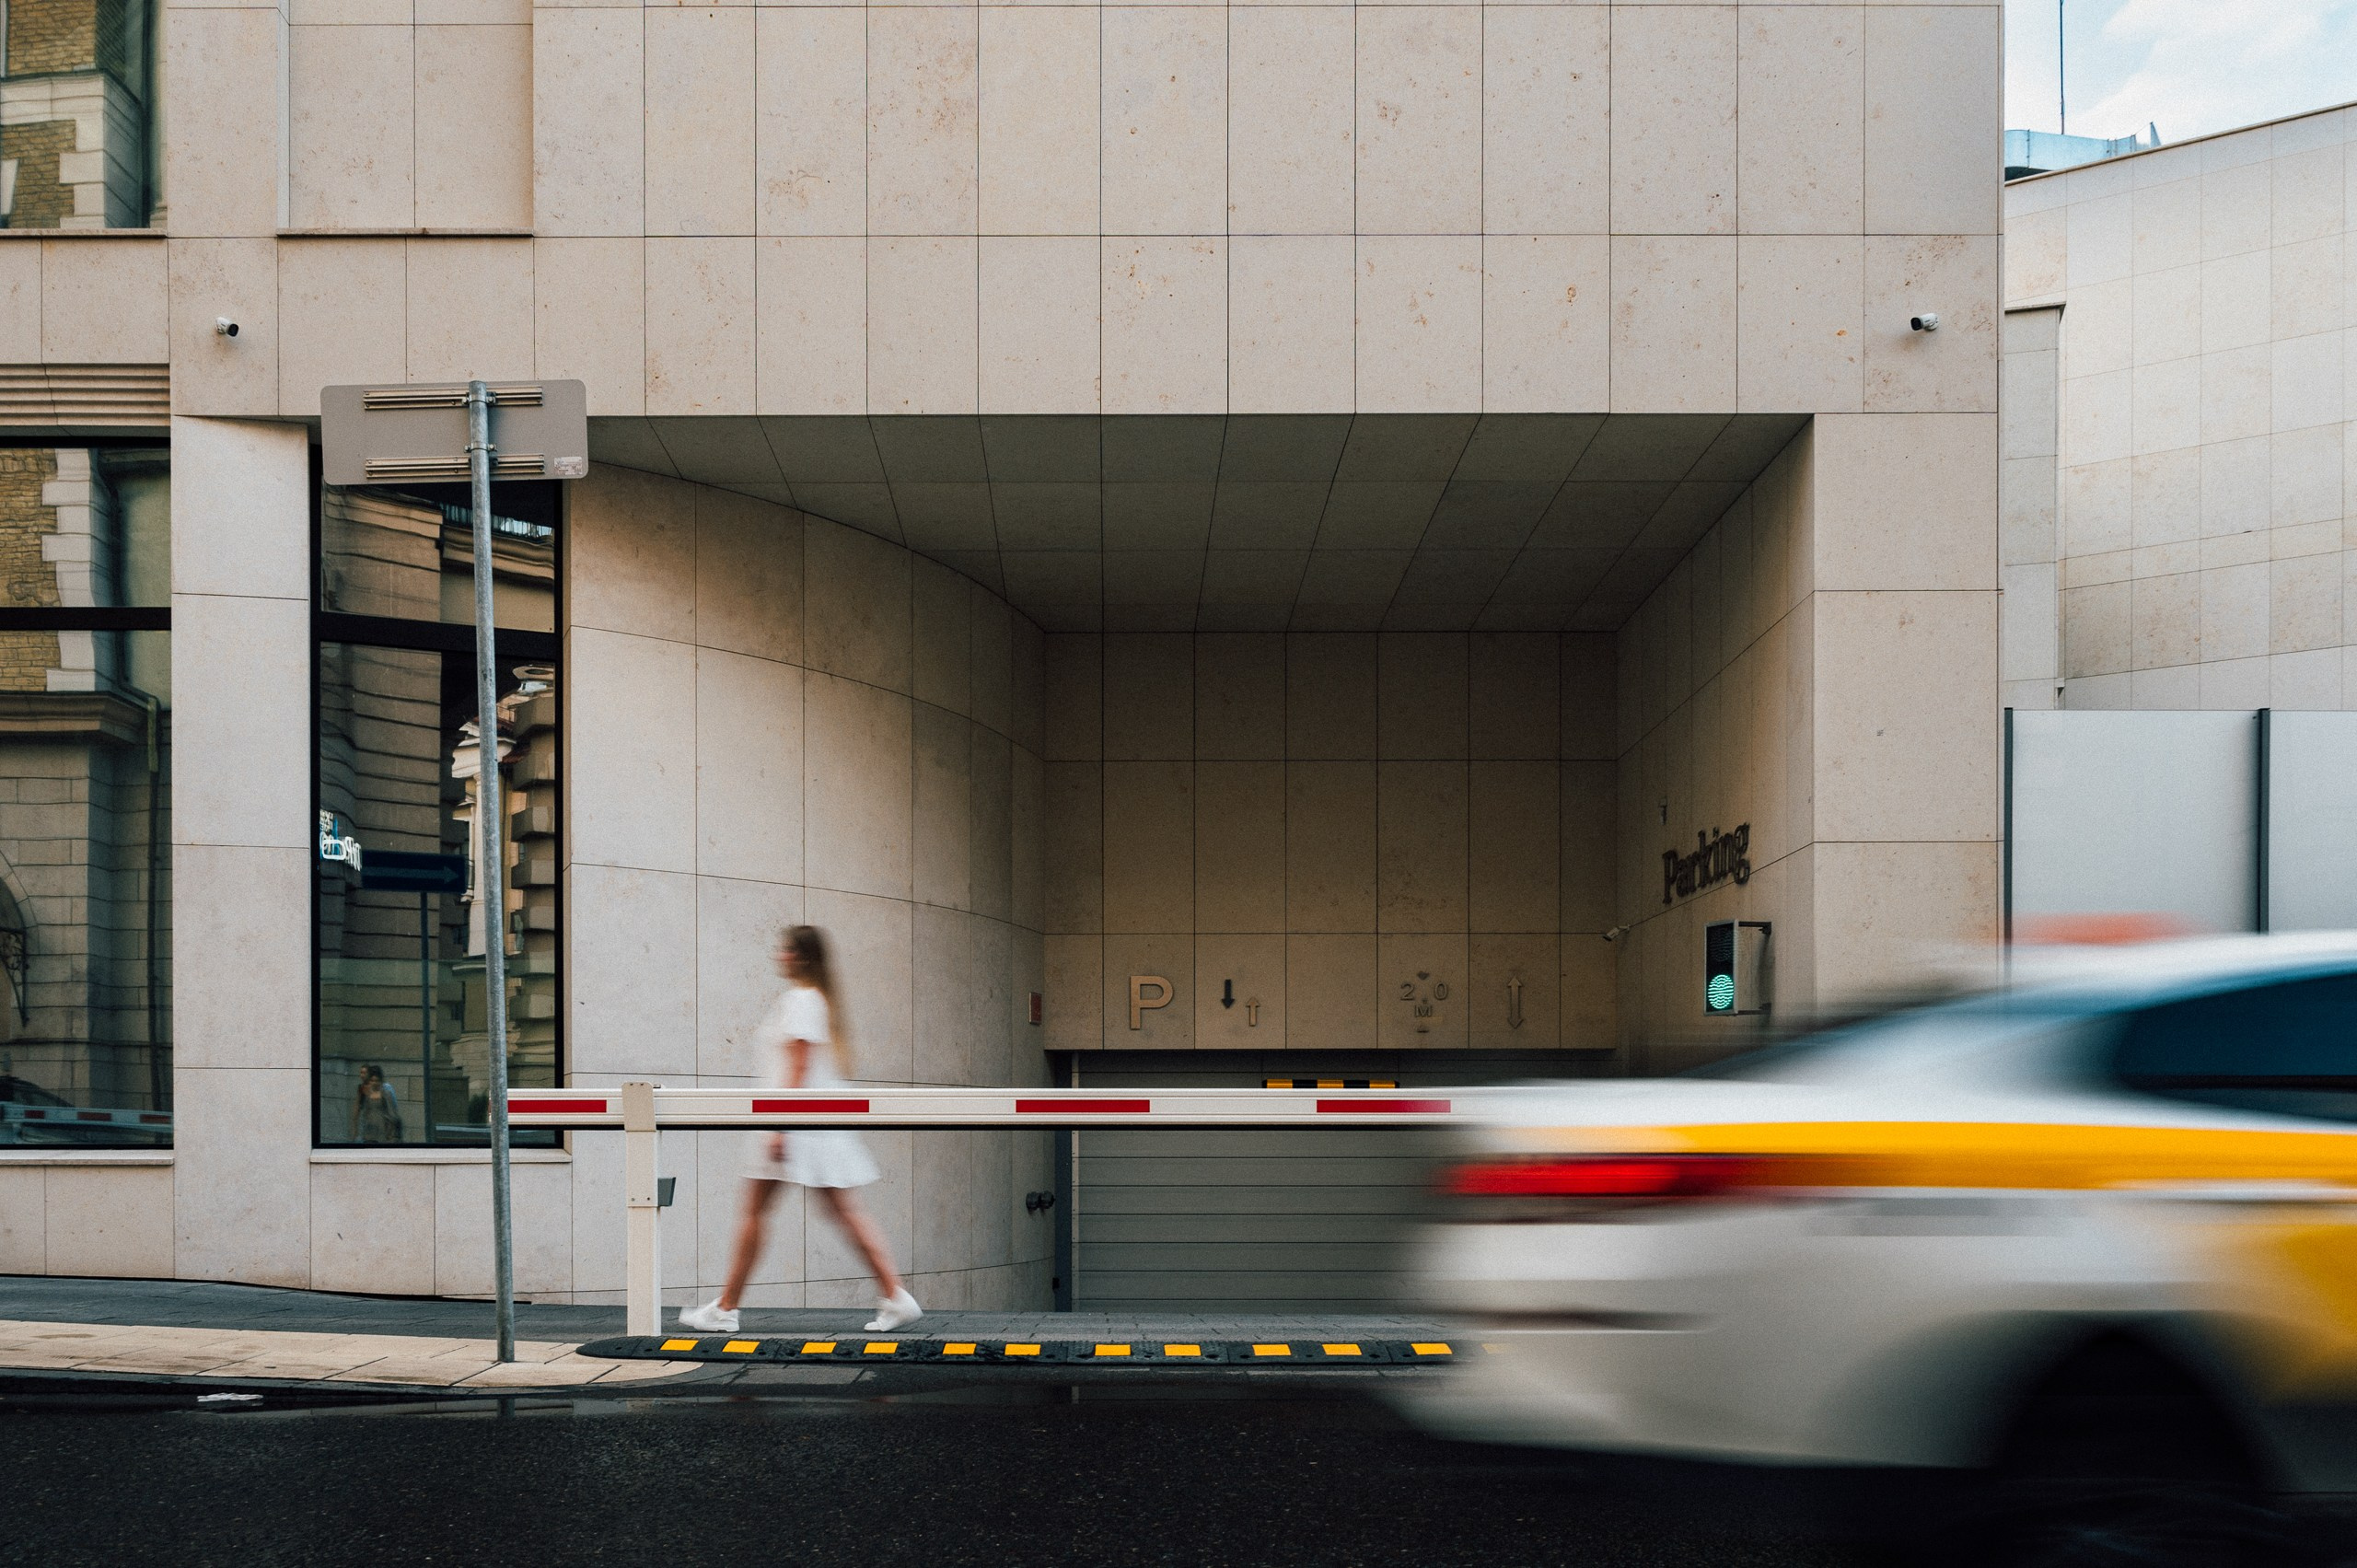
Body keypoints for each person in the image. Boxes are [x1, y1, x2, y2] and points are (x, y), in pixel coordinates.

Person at [679, 925, 922, 1335]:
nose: (779, 954)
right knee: (836, 1211)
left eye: (786, 949)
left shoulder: (801, 1001)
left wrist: (780, 1126)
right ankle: (895, 1296)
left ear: (802, 957)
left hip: (793, 1124)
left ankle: (726, 1308)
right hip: (804, 1125)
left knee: (767, 1211)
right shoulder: (815, 1001)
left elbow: (798, 1067)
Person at [353, 1064, 403, 1144]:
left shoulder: (386, 1093)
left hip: (383, 1132)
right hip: (369, 1132)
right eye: (372, 1081)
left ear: (380, 1081)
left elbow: (392, 1113)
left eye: (377, 1081)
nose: (374, 1083)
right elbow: (365, 1112)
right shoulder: (368, 1095)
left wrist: (390, 1133)